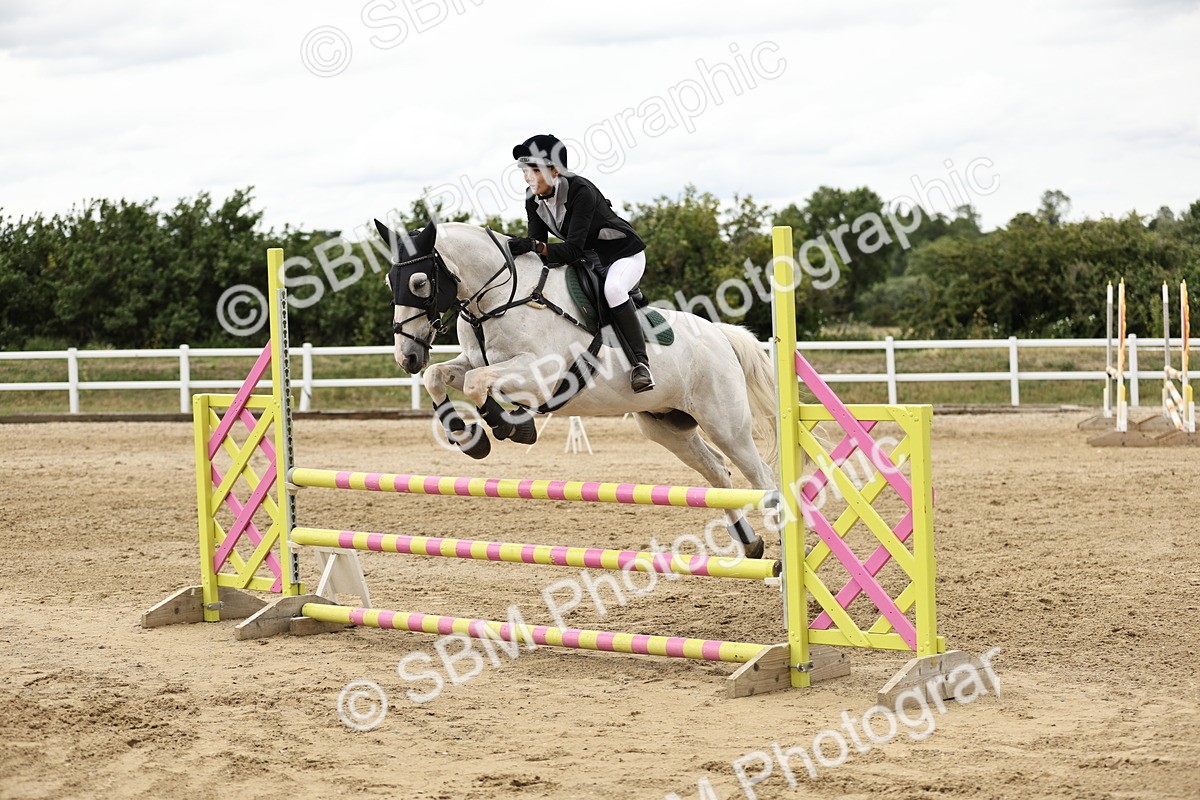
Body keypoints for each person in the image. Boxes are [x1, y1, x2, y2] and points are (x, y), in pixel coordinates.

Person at [507, 134, 654, 393]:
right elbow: (538, 245)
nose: (528, 177)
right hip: (589, 258)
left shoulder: (580, 191)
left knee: (614, 290)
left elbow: (571, 249)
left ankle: (641, 365)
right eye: (525, 171)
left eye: (534, 170)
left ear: (554, 170)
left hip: (622, 255)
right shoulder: (533, 199)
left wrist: (535, 247)